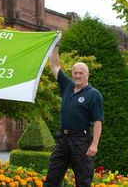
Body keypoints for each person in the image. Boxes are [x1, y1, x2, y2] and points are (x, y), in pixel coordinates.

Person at [43, 46, 104, 187]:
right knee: (52, 177)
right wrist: (55, 46)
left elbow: (97, 121)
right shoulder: (67, 86)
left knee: (83, 180)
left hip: (81, 141)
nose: (77, 75)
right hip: (63, 139)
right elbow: (54, 66)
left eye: (80, 73)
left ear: (87, 75)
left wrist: (94, 144)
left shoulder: (94, 94)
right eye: (75, 73)